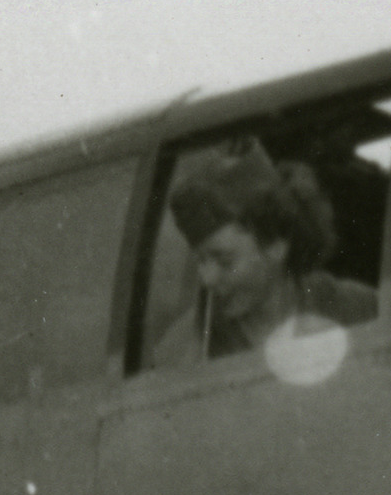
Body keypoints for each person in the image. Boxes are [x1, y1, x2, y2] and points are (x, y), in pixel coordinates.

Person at [154, 137, 376, 368]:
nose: (207, 278)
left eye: (224, 260)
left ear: (276, 245)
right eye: (200, 260)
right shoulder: (183, 350)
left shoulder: (356, 310)